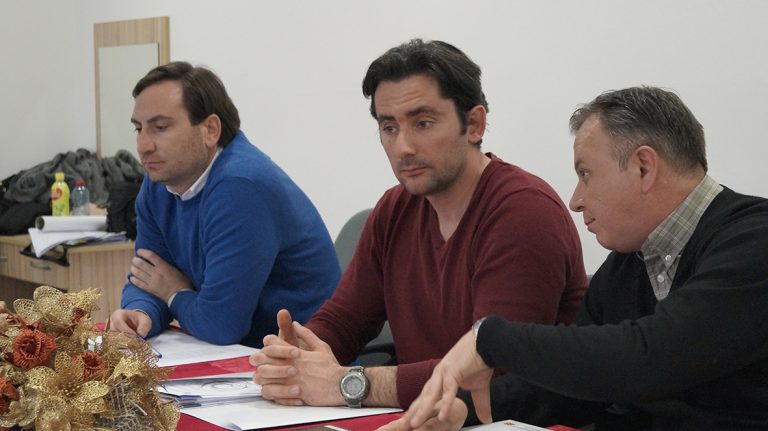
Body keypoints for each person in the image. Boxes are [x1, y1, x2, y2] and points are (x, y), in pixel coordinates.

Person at [391, 86, 768, 431]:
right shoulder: (627, 264)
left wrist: (490, 337)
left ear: (643, 167)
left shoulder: (755, 241)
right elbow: (567, 390)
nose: (575, 201)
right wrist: (463, 410)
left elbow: (649, 359)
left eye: (585, 174)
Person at [250, 39, 588, 409]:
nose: (403, 147)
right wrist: (296, 358)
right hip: (424, 417)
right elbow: (346, 320)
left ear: (474, 124)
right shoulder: (394, 208)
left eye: (423, 123)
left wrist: (350, 383)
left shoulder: (524, 213)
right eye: (389, 127)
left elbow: (491, 372)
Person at [110, 62, 341, 348]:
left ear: (210, 130)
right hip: (242, 357)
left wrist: (174, 293)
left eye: (160, 128)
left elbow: (221, 325)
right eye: (138, 129)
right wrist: (140, 312)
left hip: (303, 359)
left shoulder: (241, 186)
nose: (144, 146)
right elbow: (149, 277)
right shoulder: (159, 183)